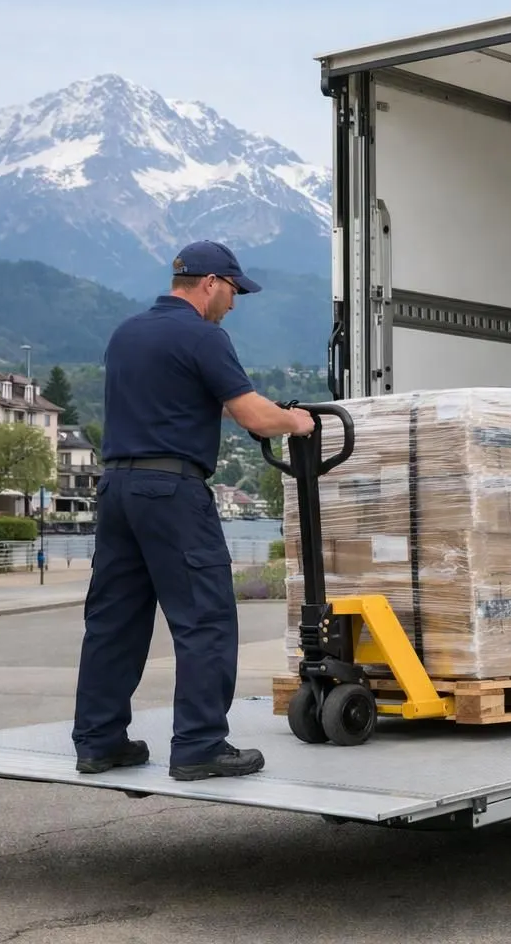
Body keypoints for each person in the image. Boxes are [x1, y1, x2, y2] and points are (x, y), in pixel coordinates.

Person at [71, 240, 314, 782]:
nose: (233, 302)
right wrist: (297, 422)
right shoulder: (204, 337)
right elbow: (253, 415)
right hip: (172, 492)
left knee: (114, 620)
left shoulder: (126, 334)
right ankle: (200, 745)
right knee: (205, 619)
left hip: (115, 490)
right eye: (232, 291)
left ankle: (98, 740)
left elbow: (165, 403)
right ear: (208, 283)